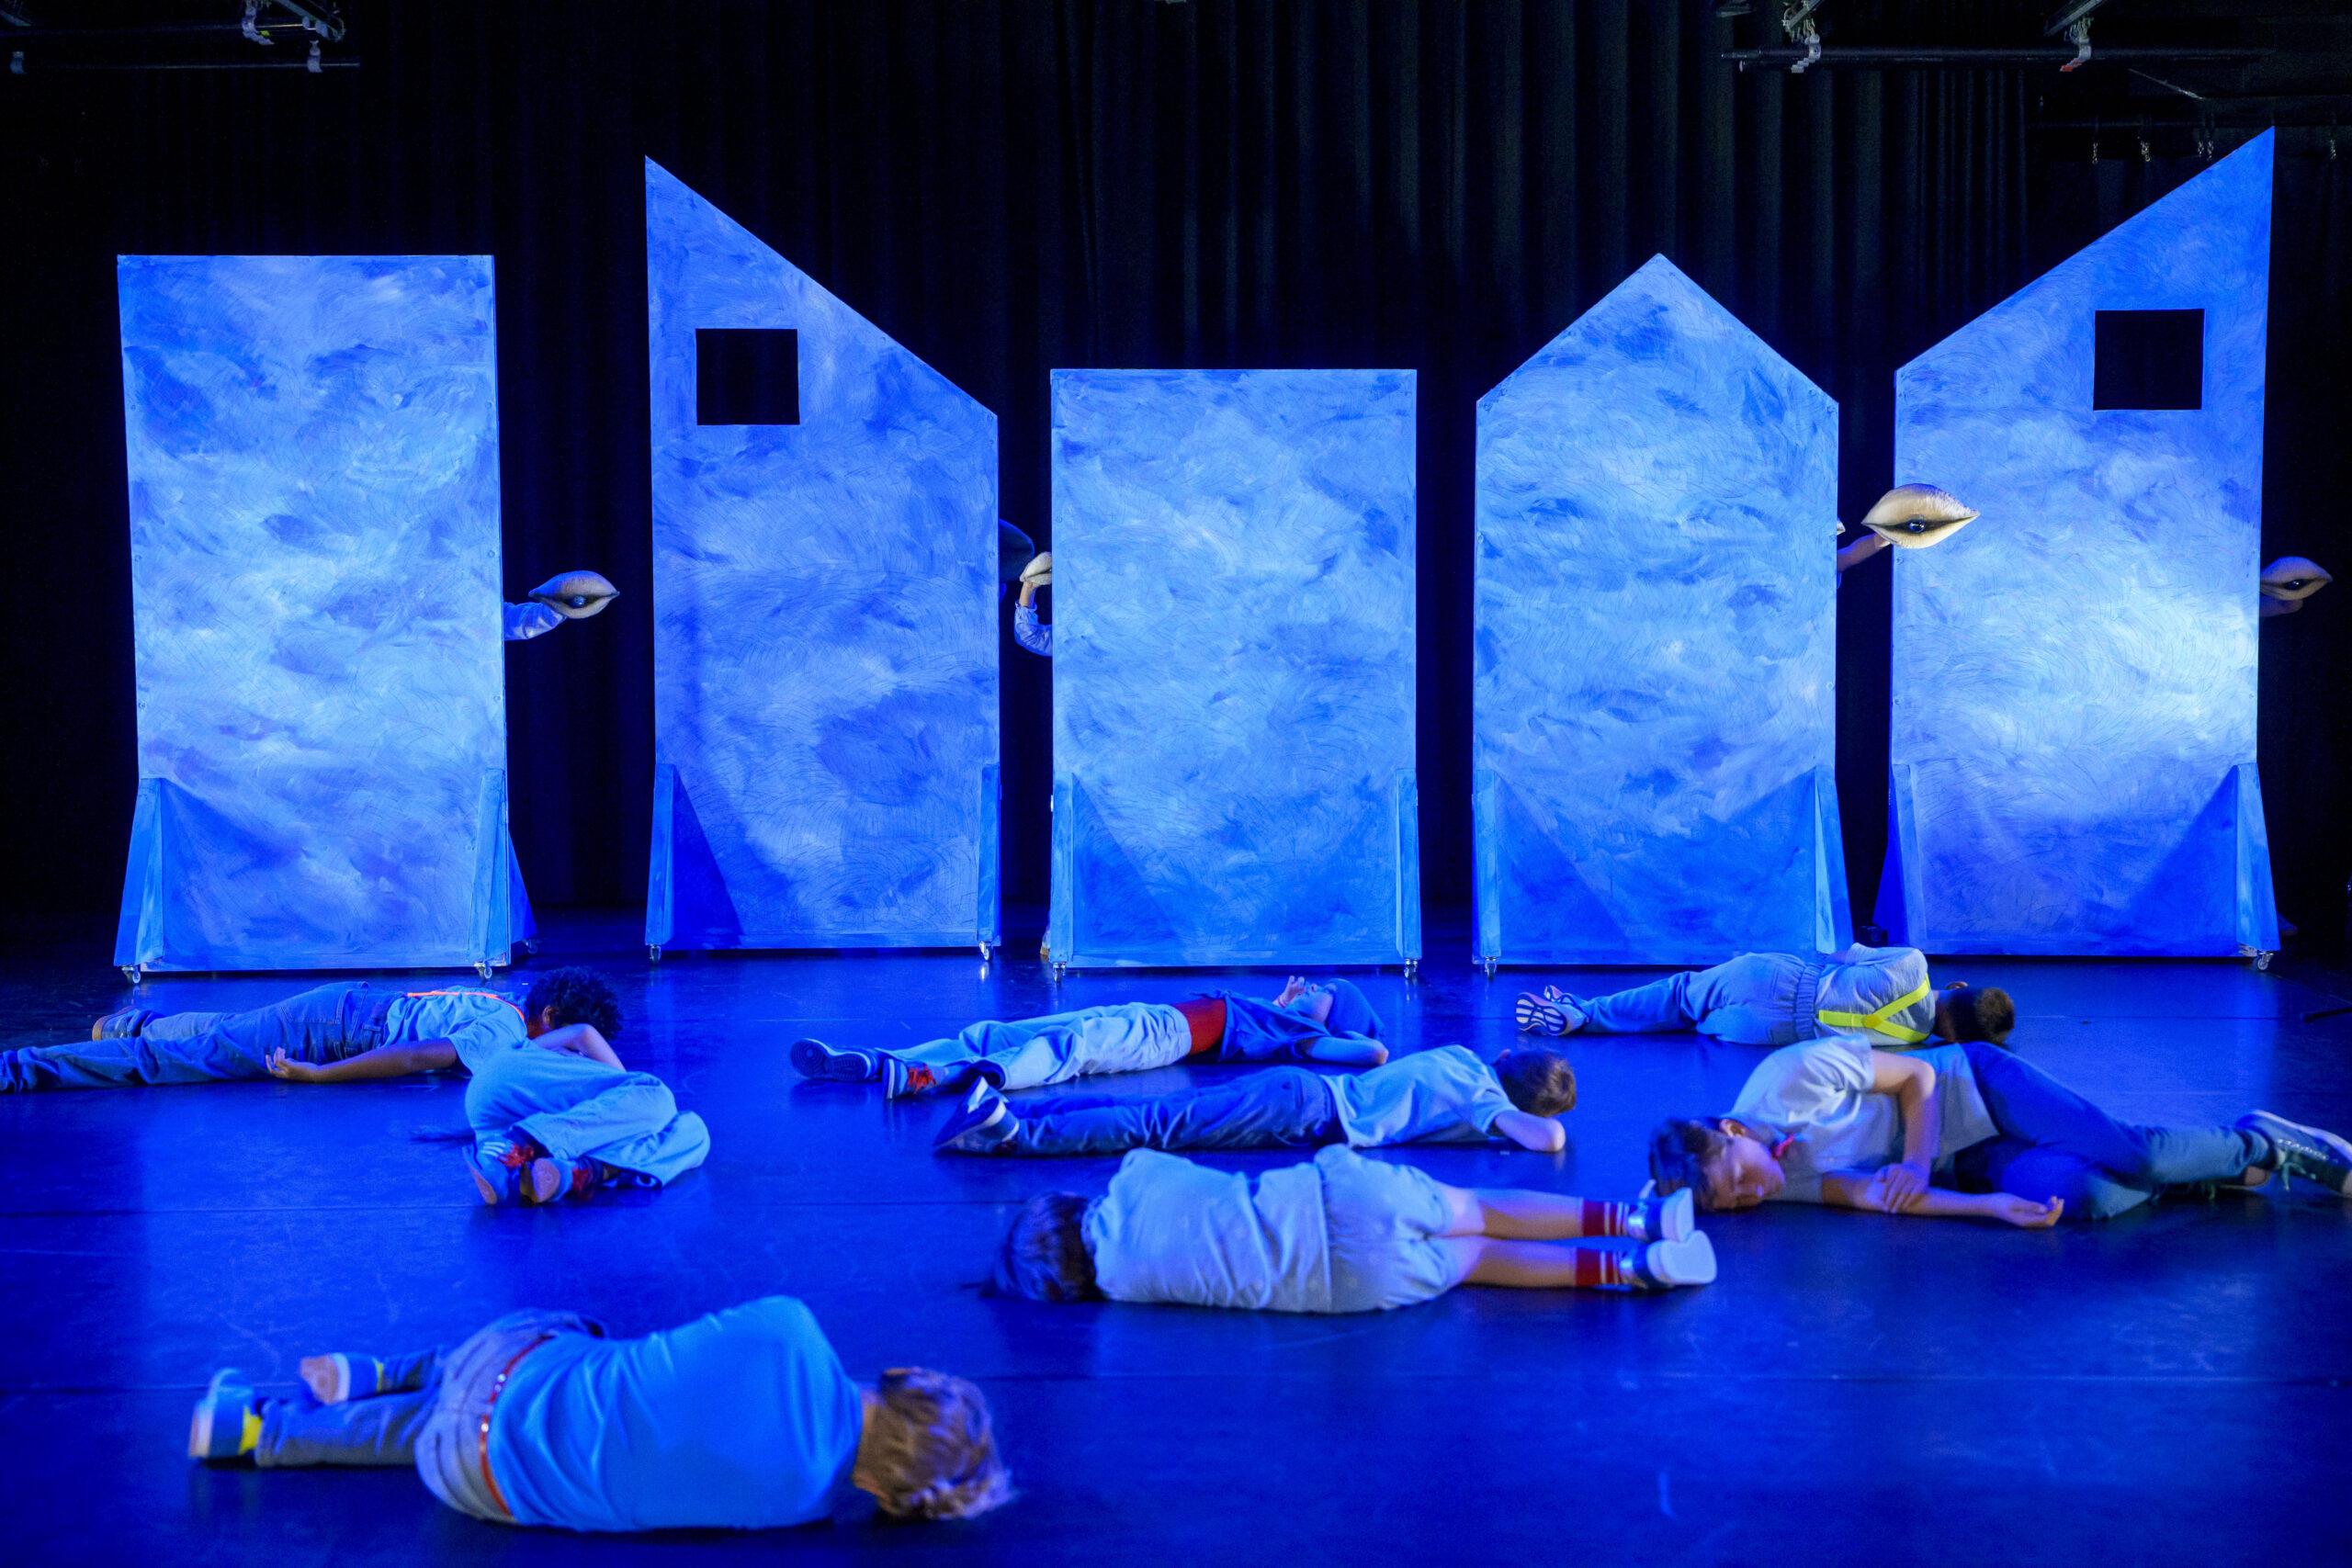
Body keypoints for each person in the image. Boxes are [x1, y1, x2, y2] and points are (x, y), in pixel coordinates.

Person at [187, 1295, 1012, 1530]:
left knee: (576, 1330)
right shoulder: (800, 1505)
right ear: (884, 1492)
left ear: (903, 1375)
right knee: (476, 1431)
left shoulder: (792, 1326)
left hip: (496, 1365)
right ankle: (265, 1432)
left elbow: (669, 1348)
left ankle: (378, 1372)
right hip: (471, 1483)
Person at [1645, 1031, 2352, 1224]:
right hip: (1966, 1157)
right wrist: (1991, 1206)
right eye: (1735, 1202)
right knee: (2086, 1199)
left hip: (1976, 1084)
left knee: (2137, 1154)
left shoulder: (1789, 1075)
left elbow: (1916, 1078)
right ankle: (2214, 1173)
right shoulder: (1775, 1180)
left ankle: (2266, 1142)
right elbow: (1871, 1195)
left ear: (1734, 1129)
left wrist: (1913, 1161)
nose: (1753, 1194)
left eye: (1739, 1177)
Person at [992, 1145, 1716, 1313]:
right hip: (1333, 1196)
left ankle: (1631, 1271)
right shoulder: (1132, 1176)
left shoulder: (1121, 1287)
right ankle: (1639, 1218)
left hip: (1336, 1286)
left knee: (1475, 1258)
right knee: (1475, 1208)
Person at [6, 967, 622, 1092]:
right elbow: (418, 1055)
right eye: (571, 1043)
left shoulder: (511, 1003)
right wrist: (320, 1074)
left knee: (231, 1032)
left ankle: (135, 1023)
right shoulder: (505, 1029)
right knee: (182, 1061)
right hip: (331, 1032)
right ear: (552, 1021)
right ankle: (21, 1066)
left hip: (343, 1009)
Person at [790, 976, 1389, 1100]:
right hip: (1148, 1014)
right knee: (1001, 1030)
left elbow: (1373, 1052)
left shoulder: (1304, 1035)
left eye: (1325, 989)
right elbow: (1269, 1021)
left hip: (1163, 1035)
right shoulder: (1280, 1017)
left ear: (1334, 1016)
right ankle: (881, 1061)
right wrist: (1285, 1003)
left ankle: (940, 1076)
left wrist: (1326, 1029)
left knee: (1069, 1051)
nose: (1310, 984)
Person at [935, 1043, 1577, 1156]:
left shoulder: (1465, 1059)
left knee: (1156, 1114)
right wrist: (1514, 1117)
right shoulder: (1481, 1098)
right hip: (1304, 1110)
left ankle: (1013, 1113)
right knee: (1157, 1126)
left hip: (1297, 1090)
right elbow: (1548, 1139)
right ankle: (1016, 1133)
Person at [1515, 943, 2012, 1050]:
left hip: (1779, 981)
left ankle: (1582, 1013)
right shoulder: (1912, 1048)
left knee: (1681, 993)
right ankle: (1576, 1010)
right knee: (1689, 1019)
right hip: (1772, 1035)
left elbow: (1844, 955)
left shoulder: (1913, 964)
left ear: (1957, 987)